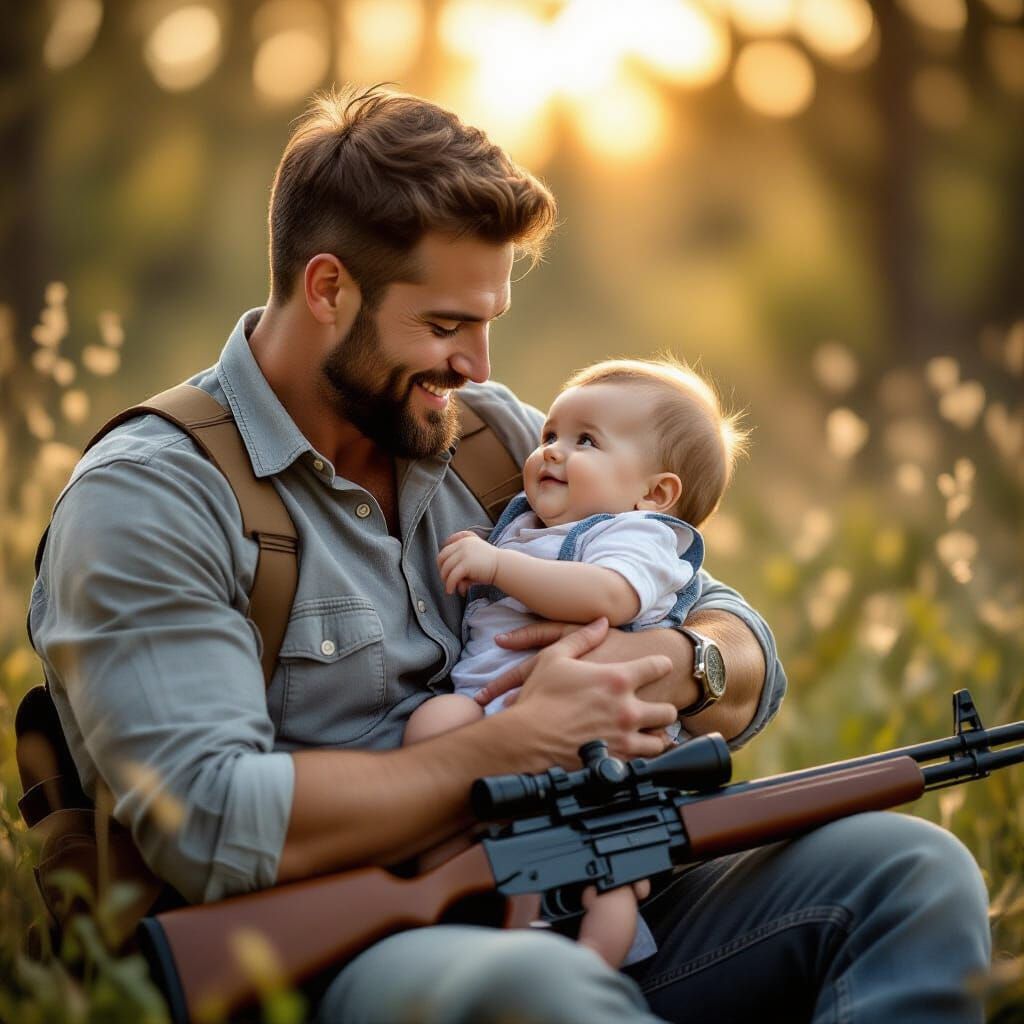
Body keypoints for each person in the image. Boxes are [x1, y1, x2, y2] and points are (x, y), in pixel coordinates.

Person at [29, 85, 990, 1023]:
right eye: (446, 326)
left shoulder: (487, 438)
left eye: (489, 324)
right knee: (547, 995)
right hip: (330, 956)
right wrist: (510, 745)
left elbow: (740, 649)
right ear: (328, 288)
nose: (480, 368)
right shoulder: (152, 498)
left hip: (569, 888)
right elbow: (207, 820)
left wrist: (667, 662)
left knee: (915, 870)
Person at [404, 356, 743, 968]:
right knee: (432, 727)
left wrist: (497, 566)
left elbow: (608, 595)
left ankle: (594, 967)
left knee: (605, 867)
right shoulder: (531, 523)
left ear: (656, 493)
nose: (552, 452)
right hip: (491, 718)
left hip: (594, 744)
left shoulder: (637, 538)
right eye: (550, 436)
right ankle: (450, 883)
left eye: (584, 441)